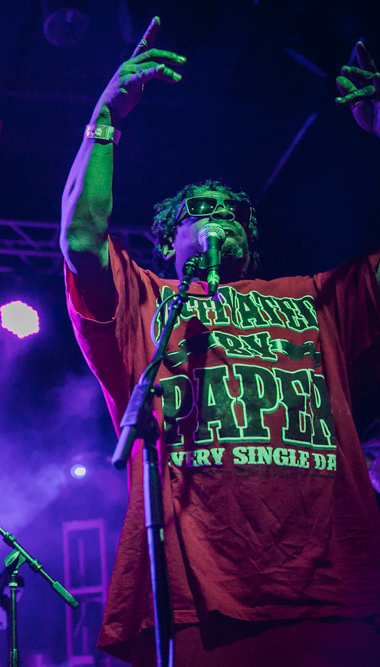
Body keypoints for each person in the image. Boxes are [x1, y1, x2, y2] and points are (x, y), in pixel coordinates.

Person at [61, 18, 380, 666]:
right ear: (166, 242)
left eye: (229, 209)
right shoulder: (147, 303)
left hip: (334, 593)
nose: (214, 214)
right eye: (194, 210)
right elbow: (81, 241)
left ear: (249, 240)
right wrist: (105, 119)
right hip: (202, 598)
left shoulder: (313, 298)